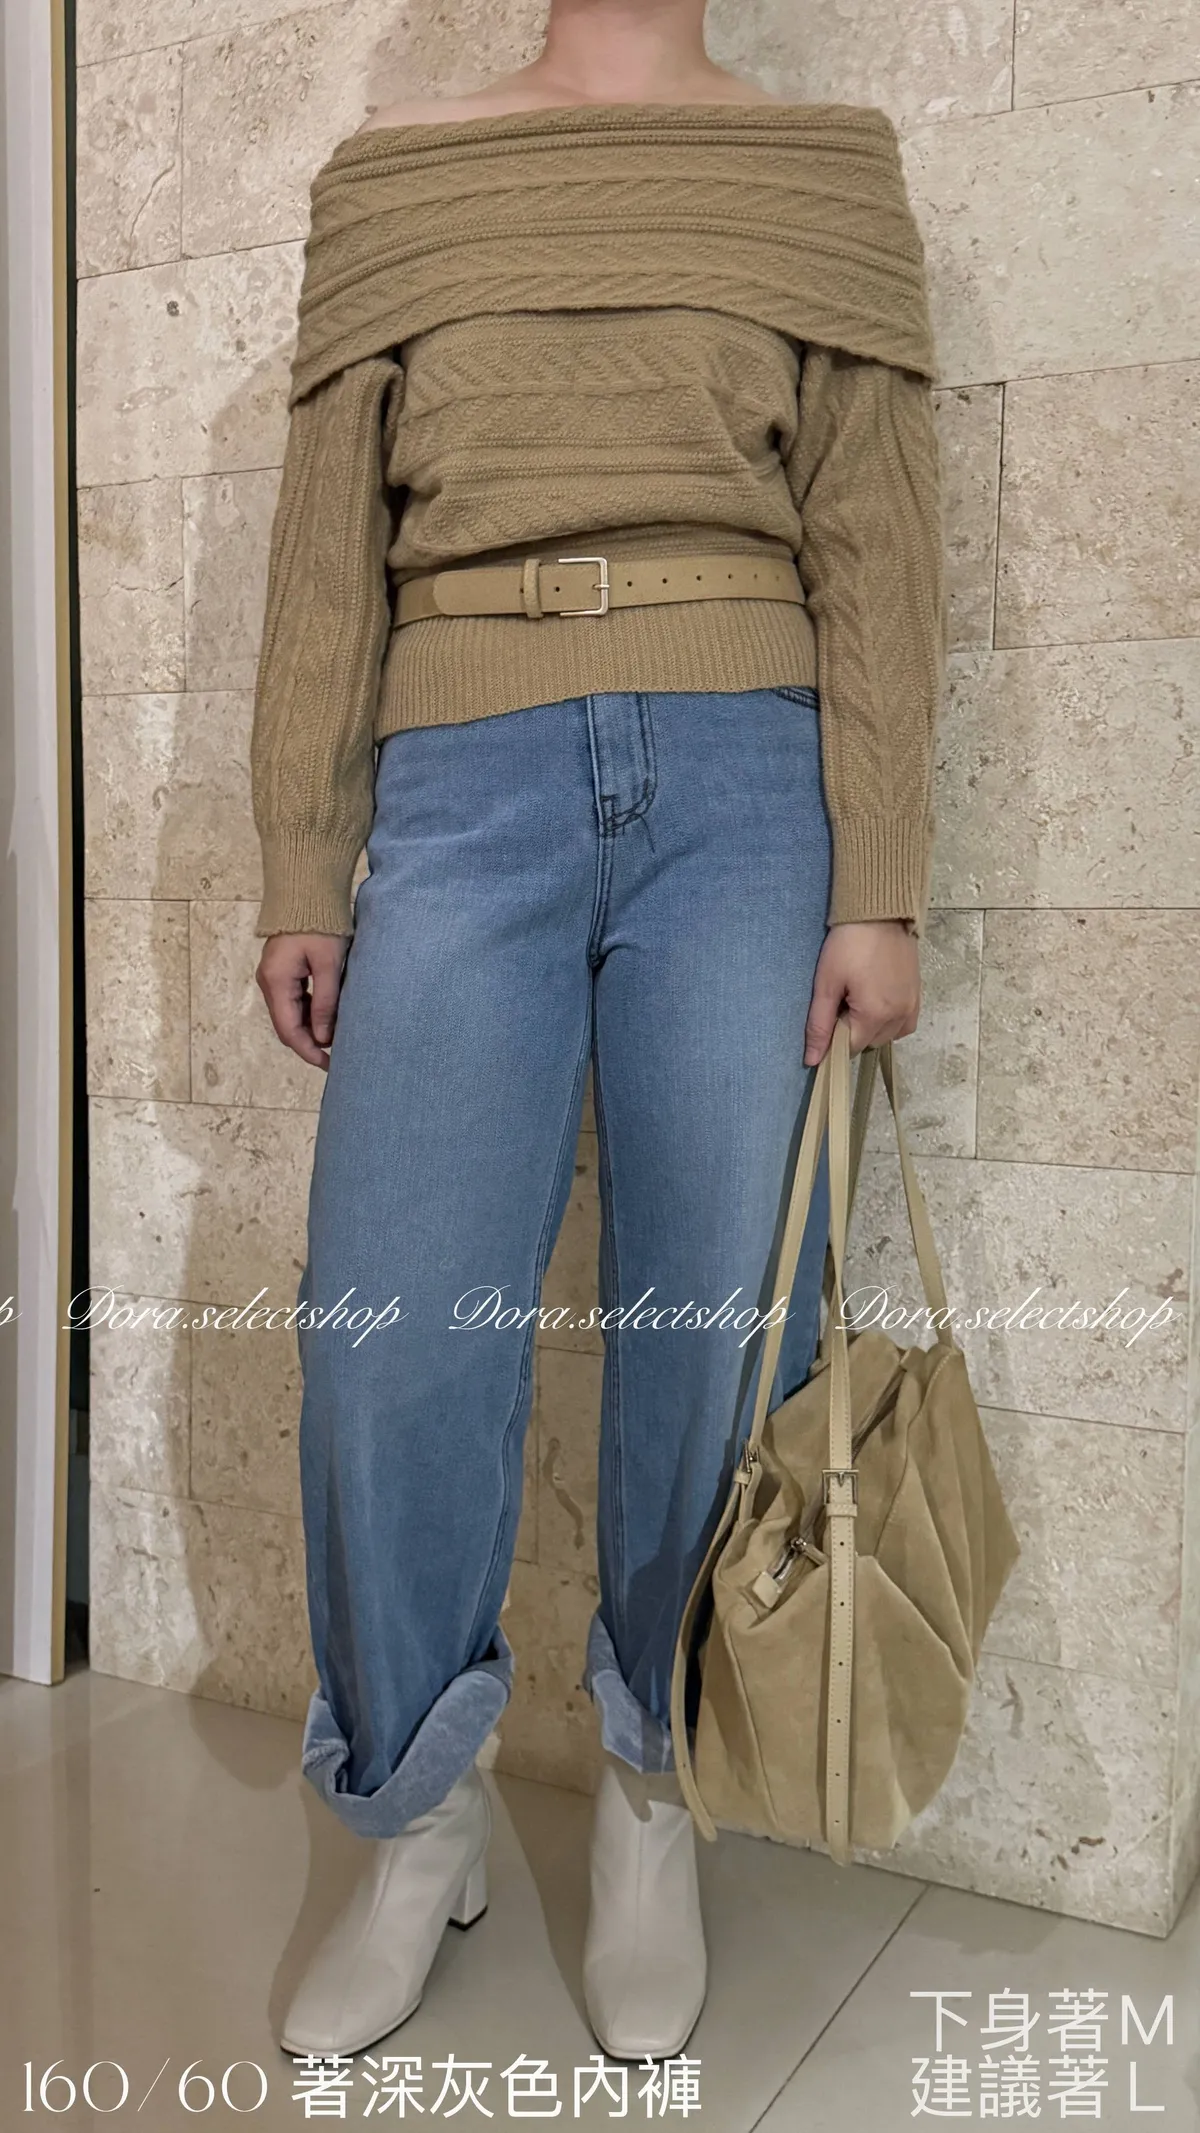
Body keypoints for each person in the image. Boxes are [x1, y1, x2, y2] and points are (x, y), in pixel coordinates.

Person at [250, 0, 945, 2067]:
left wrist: (882, 877)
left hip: (748, 787)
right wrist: (302, 860)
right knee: (388, 1338)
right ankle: (417, 1813)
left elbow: (878, 538)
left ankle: (655, 1793)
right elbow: (323, 550)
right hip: (456, 785)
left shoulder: (820, 172)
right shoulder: (399, 179)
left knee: (718, 1321)